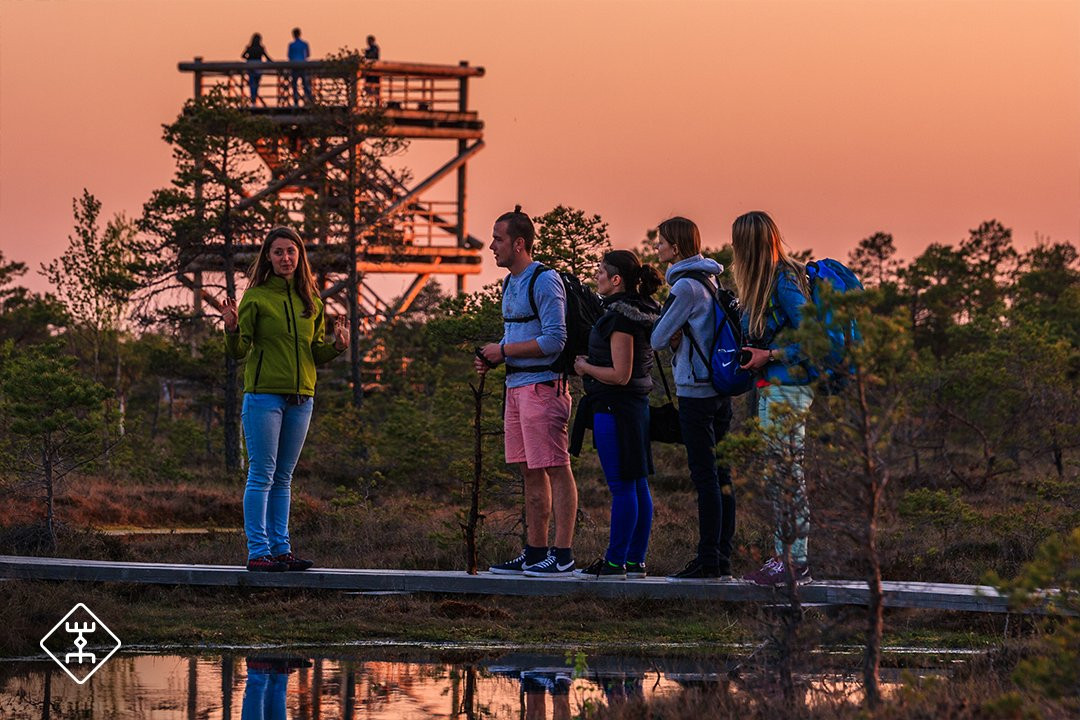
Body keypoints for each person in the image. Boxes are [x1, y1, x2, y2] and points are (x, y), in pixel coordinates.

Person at [223, 227, 348, 572]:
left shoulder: (313, 303)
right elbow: (239, 351)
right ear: (268, 258)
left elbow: (313, 354)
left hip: (301, 398)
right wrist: (232, 329)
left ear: (299, 257)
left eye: (290, 252)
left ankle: (281, 549)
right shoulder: (256, 298)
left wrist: (337, 348)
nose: (285, 258)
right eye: (277, 252)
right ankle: (258, 551)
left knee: (284, 477)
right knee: (262, 473)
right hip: (264, 396)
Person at [475, 206, 578, 577]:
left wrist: (502, 351)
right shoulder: (511, 283)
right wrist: (497, 358)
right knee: (529, 471)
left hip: (544, 387)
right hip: (516, 387)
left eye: (498, 239)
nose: (492, 246)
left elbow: (555, 339)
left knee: (555, 467)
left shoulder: (545, 280)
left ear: (519, 243)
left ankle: (562, 555)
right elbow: (519, 334)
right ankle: (535, 552)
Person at [649, 217, 736, 582]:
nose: (656, 248)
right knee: (722, 476)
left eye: (661, 242)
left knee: (704, 477)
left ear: (677, 248)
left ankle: (707, 560)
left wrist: (674, 334)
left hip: (696, 392)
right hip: (719, 389)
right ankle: (722, 557)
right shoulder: (711, 280)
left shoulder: (685, 287)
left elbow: (656, 338)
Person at [732, 211, 815, 586]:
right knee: (779, 474)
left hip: (790, 386)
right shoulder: (764, 281)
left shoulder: (782, 280)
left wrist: (774, 356)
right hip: (771, 386)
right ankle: (783, 558)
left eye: (737, 241)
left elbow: (814, 336)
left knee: (786, 474)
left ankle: (795, 563)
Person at [570, 250, 662, 580]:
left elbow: (621, 374)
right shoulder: (641, 311)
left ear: (616, 279)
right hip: (634, 409)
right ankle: (634, 561)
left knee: (623, 487)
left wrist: (585, 368)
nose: (596, 276)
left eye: (600, 272)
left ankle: (614, 562)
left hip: (616, 408)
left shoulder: (621, 318)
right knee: (637, 484)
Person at [242, 33, 272, 105]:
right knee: (257, 84)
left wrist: (249, 58)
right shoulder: (261, 48)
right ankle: (254, 98)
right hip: (259, 67)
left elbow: (243, 56)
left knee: (252, 84)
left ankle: (253, 100)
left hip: (251, 66)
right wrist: (273, 63)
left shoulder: (249, 48)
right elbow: (267, 57)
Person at [287, 28, 313, 106]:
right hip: (303, 65)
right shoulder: (305, 44)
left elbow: (289, 56)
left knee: (294, 84)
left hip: (294, 65)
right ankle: (308, 99)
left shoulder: (291, 45)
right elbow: (308, 54)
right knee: (305, 83)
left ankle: (296, 100)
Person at [363, 35, 381, 100]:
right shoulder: (370, 49)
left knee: (374, 86)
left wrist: (366, 54)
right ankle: (374, 98)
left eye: (368, 41)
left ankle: (375, 99)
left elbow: (372, 56)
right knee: (369, 86)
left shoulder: (375, 48)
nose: (367, 42)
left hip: (374, 70)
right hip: (370, 70)